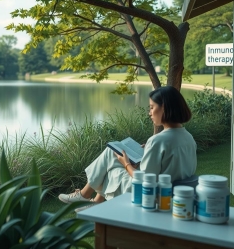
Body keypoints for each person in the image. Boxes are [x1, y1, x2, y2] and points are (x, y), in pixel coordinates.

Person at [58, 86, 197, 208]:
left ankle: (87, 196)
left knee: (111, 167)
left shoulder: (158, 141)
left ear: (164, 109)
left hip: (151, 195)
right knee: (112, 153)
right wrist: (146, 152)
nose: (149, 113)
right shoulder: (188, 137)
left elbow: (143, 180)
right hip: (173, 190)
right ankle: (92, 199)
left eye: (152, 107)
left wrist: (126, 164)